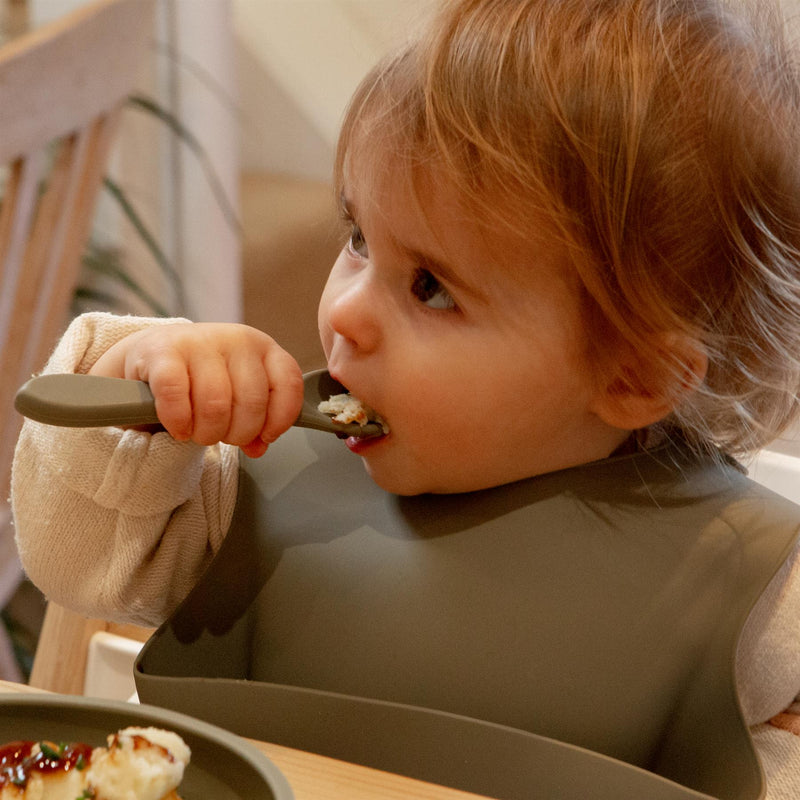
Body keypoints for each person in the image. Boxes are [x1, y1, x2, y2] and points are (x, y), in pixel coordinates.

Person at [11, 0, 800, 795]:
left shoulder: (755, 588)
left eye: (431, 288)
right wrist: (141, 383)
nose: (345, 312)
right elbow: (74, 561)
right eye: (358, 238)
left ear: (633, 375)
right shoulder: (275, 479)